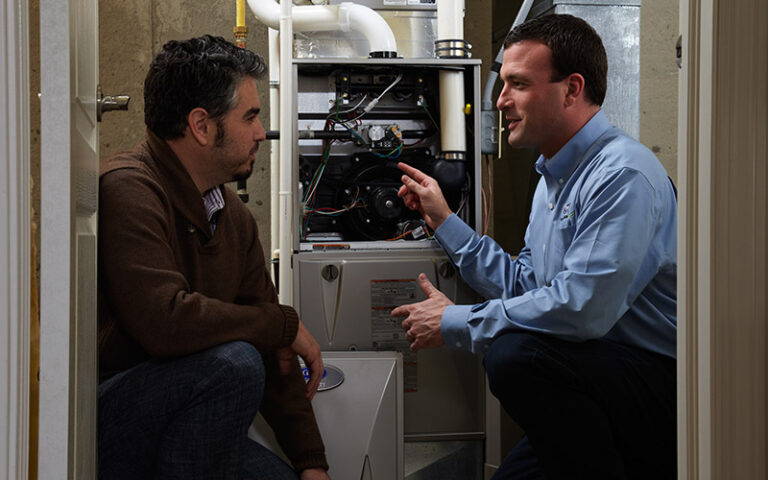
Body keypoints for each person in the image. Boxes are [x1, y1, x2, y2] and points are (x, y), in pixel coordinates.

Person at [392, 14, 677, 480]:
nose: (500, 101)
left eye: (518, 84)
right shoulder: (552, 177)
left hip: (653, 387)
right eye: (503, 84)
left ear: (572, 89)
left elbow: (581, 308)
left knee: (515, 355)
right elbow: (526, 285)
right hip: (593, 377)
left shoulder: (621, 175)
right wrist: (444, 221)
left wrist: (455, 322)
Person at [97, 35, 330, 480]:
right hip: (114, 422)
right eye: (251, 117)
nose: (261, 132)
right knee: (234, 363)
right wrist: (280, 323)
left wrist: (311, 463)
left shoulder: (231, 215)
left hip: (187, 431)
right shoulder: (128, 189)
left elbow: (272, 348)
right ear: (202, 126)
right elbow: (165, 323)